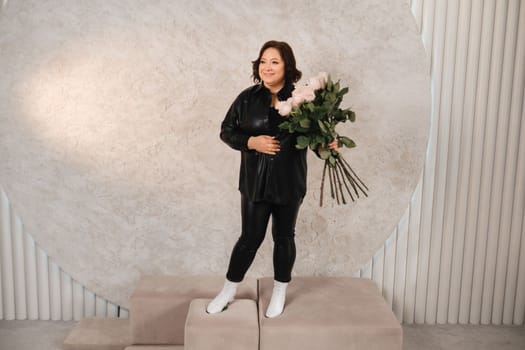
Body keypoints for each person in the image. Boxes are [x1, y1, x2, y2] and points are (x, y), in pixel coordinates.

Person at [207, 40, 337, 318]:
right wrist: (251, 142)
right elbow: (226, 131)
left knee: (284, 237)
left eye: (274, 62)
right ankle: (228, 290)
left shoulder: (305, 100)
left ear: (287, 66)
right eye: (263, 61)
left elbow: (314, 141)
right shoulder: (246, 98)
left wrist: (328, 145)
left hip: (290, 182)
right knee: (249, 238)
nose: (267, 67)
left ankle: (279, 292)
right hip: (255, 183)